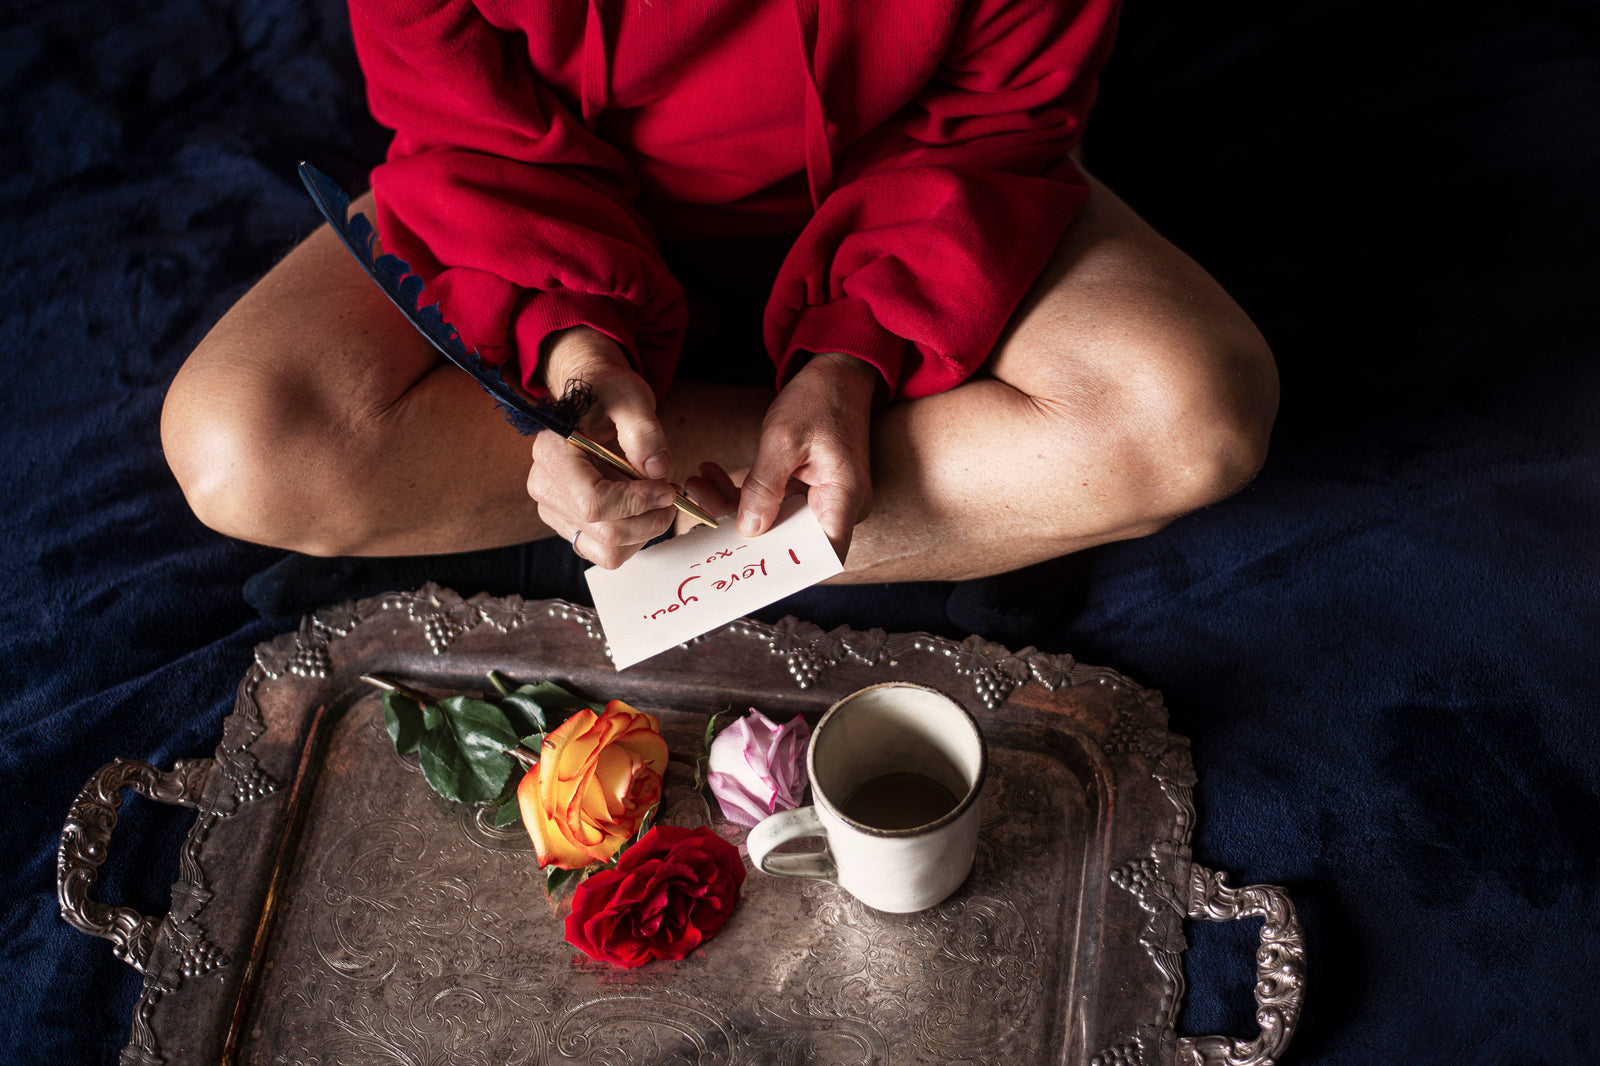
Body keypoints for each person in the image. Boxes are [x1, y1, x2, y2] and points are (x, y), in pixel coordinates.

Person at [161, 0, 1278, 591]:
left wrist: (849, 355)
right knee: (243, 447)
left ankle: (683, 522)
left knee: (1189, 418)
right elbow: (473, 137)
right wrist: (578, 366)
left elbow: (991, 126)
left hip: (922, 193)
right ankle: (726, 495)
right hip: (534, 204)